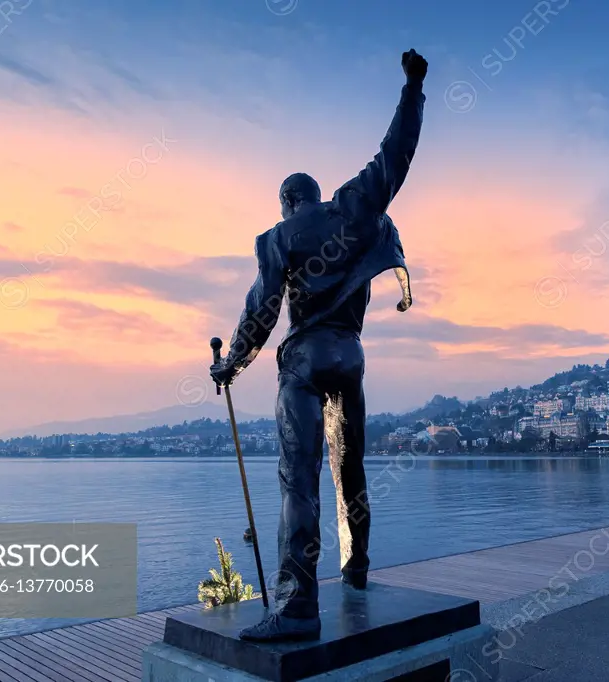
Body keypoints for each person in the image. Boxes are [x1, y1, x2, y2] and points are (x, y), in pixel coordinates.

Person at [210, 48, 428, 642]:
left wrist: (230, 363)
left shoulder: (279, 236)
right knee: (350, 469)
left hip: (305, 362)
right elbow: (394, 159)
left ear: (286, 201)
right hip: (350, 358)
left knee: (298, 480)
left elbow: (261, 313)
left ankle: (298, 605)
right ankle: (356, 570)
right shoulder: (356, 214)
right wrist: (412, 88)